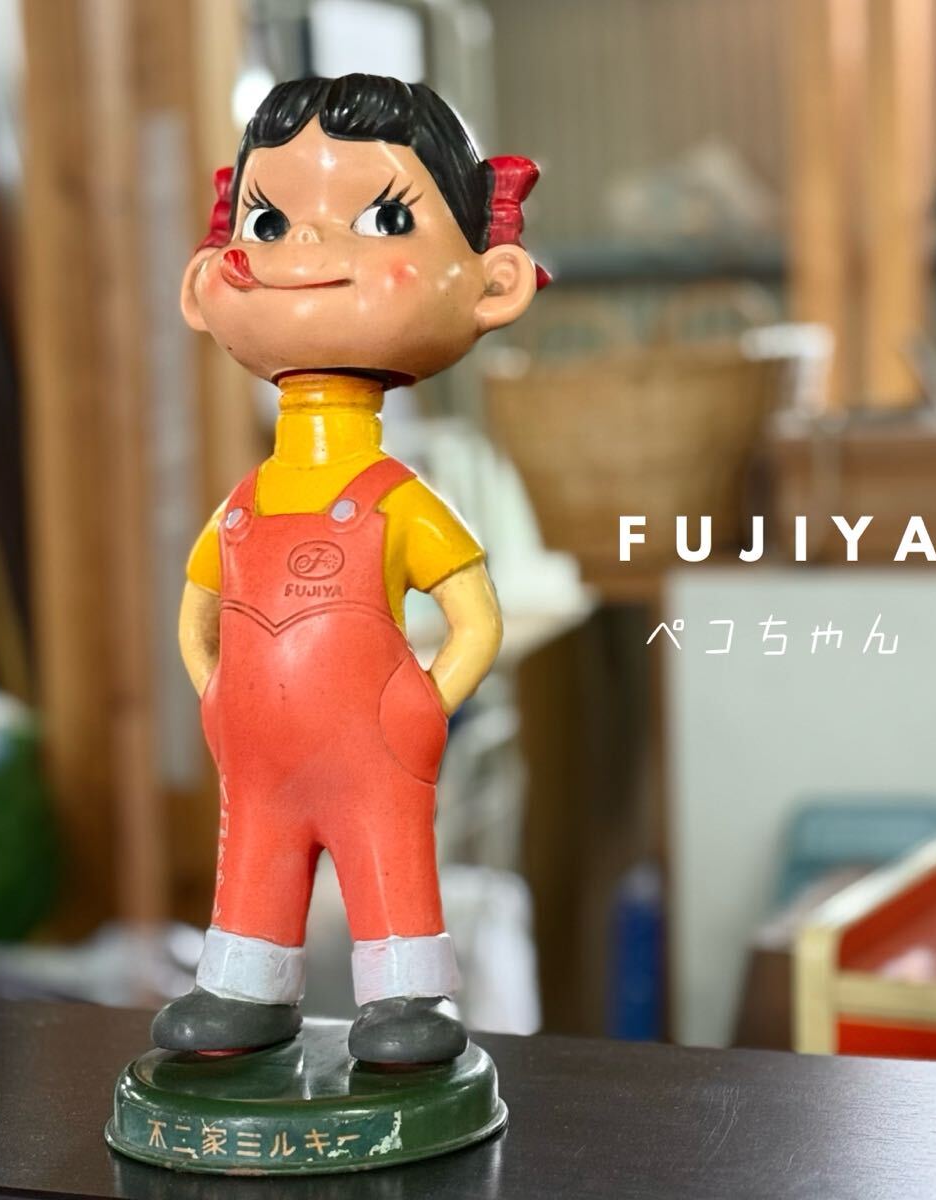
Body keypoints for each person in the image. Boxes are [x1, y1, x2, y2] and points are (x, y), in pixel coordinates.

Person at [151, 73, 544, 1065]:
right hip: (257, 750)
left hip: (376, 744)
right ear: (204, 283)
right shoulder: (244, 499)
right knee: (252, 859)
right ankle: (244, 987)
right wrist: (217, 693)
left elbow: (477, 618)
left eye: (382, 218)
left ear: (493, 281)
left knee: (388, 857)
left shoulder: (398, 498)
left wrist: (423, 704)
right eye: (269, 222)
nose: (309, 248)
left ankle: (407, 997)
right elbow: (198, 606)